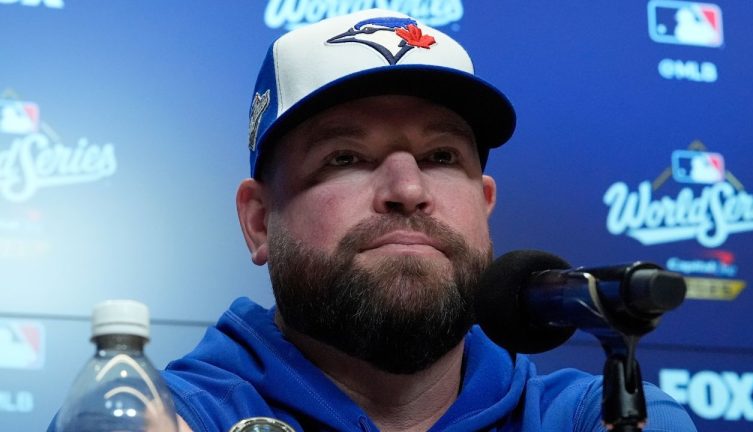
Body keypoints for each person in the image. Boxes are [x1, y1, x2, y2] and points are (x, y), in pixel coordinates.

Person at [162, 9, 696, 432]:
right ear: (259, 222)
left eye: (442, 157)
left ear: (485, 205)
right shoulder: (167, 416)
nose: (408, 191)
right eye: (345, 157)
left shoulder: (597, 418)